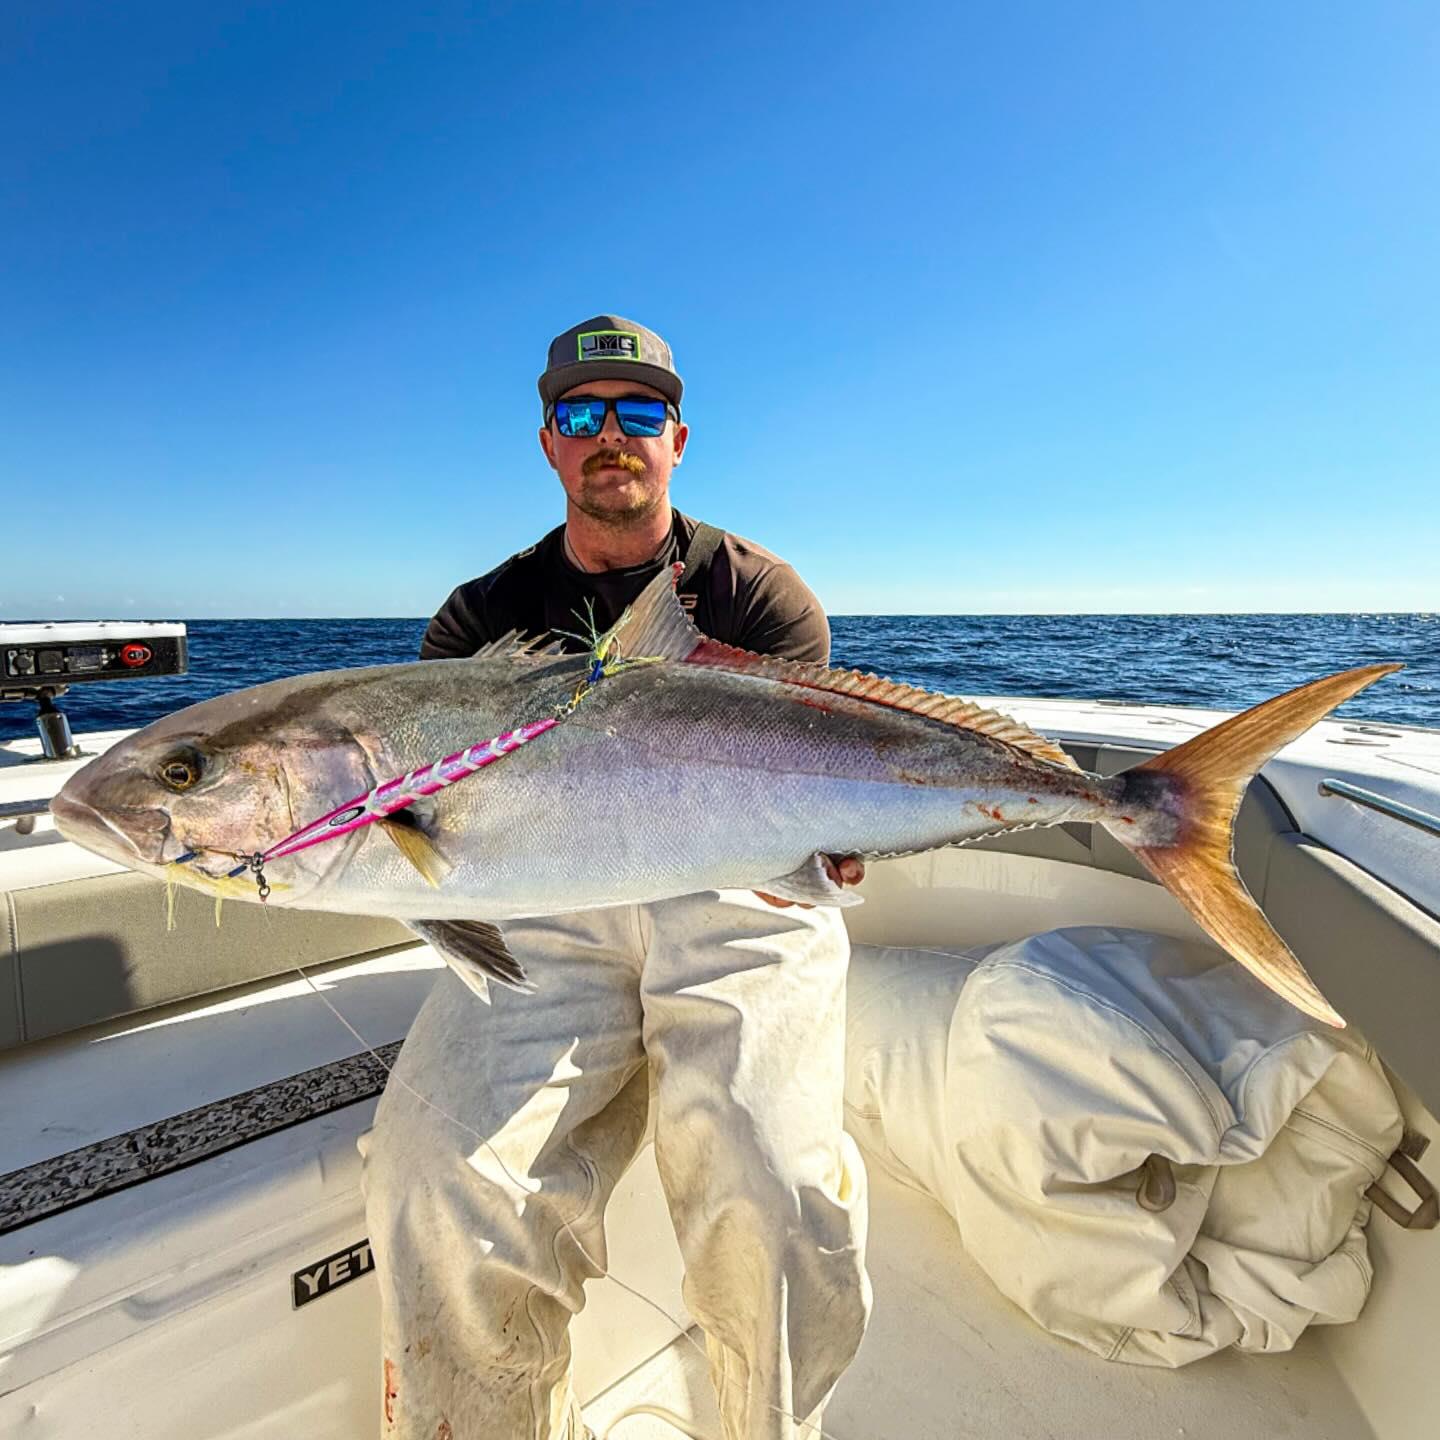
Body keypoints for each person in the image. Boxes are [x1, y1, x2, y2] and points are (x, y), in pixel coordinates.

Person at [362, 316, 871, 1440]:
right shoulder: (478, 619)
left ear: (677, 438)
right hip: (547, 905)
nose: (612, 437)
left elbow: (808, 787)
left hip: (740, 891)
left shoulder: (763, 599)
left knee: (771, 1193)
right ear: (547, 440)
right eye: (582, 414)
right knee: (435, 1180)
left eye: (637, 412)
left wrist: (837, 831)